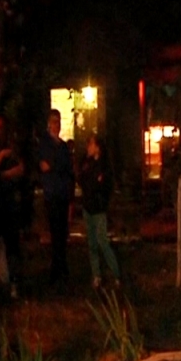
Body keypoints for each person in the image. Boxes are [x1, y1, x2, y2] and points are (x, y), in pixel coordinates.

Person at [0, 115, 25, 298]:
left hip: (9, 205)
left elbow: (22, 170)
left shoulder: (11, 149)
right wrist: (4, 168)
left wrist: (7, 173)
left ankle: (14, 282)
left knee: (13, 246)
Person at [37, 109, 74, 287]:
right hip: (52, 192)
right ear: (48, 123)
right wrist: (56, 164)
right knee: (55, 231)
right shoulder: (45, 143)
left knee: (62, 231)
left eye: (58, 121)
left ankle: (62, 265)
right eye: (53, 121)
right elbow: (45, 166)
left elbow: (67, 168)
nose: (56, 124)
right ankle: (57, 267)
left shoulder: (63, 146)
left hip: (62, 193)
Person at [79, 133, 121, 288]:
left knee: (102, 241)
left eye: (90, 144)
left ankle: (116, 274)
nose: (87, 148)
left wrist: (97, 187)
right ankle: (96, 275)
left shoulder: (104, 165)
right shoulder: (86, 162)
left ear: (97, 147)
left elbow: (104, 186)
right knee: (92, 243)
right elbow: (83, 180)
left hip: (99, 208)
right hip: (88, 207)